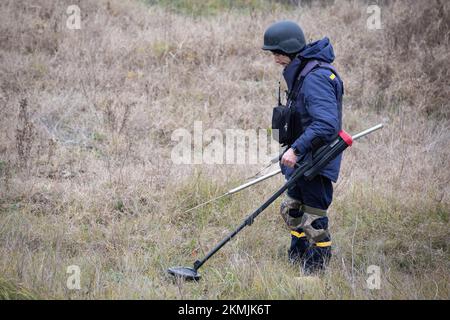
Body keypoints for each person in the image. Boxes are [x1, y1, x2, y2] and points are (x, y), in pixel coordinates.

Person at [262, 21, 344, 274]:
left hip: (315, 161)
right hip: (302, 159)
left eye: (276, 52)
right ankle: (296, 258)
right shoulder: (303, 72)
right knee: (293, 210)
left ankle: (315, 271)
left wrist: (296, 149)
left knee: (314, 219)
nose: (274, 58)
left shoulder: (316, 78)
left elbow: (326, 124)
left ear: (289, 49)